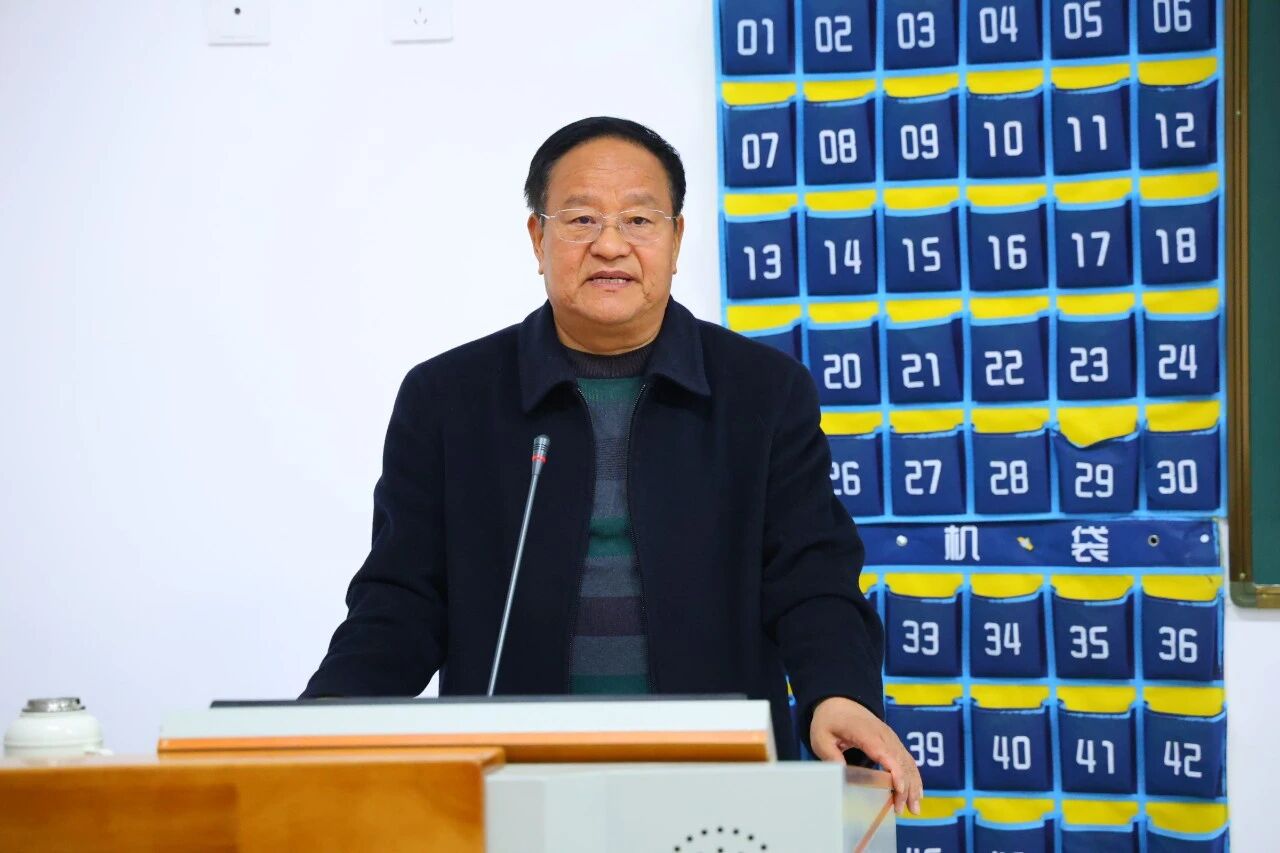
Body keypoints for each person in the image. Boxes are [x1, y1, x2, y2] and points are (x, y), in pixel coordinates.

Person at [303, 116, 923, 814]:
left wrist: (837, 691)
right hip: (513, 785)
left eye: (638, 219)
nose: (609, 244)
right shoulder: (448, 397)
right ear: (537, 239)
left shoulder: (762, 391)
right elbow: (402, 599)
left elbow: (811, 577)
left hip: (716, 785)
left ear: (676, 239)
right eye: (580, 220)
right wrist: (327, 717)